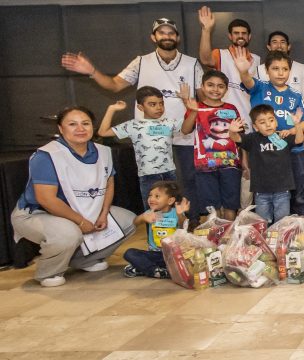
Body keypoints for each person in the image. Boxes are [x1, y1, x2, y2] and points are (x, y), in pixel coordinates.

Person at [60, 17, 202, 223]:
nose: (167, 36)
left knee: (186, 182)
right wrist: (92, 71)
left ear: (177, 37)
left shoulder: (192, 63)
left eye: (171, 32)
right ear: (153, 37)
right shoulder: (142, 61)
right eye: (162, 32)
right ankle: (156, 231)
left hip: (183, 132)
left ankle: (189, 224)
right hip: (148, 137)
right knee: (153, 189)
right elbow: (114, 85)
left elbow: (204, 96)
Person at [10, 106, 137, 287]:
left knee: (128, 221)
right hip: (37, 214)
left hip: (85, 210)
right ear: (61, 129)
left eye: (85, 123)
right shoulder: (46, 155)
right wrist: (80, 221)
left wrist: (103, 212)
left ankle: (83, 260)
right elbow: (47, 200)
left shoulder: (103, 151)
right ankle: (49, 271)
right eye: (72, 124)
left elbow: (109, 182)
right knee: (68, 233)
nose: (80, 129)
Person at [236, 49, 304, 216]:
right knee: (267, 196)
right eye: (275, 68)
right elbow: (248, 82)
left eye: (285, 69)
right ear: (266, 70)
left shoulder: (296, 94)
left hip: (294, 150)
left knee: (300, 193)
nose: (280, 73)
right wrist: (243, 71)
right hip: (265, 153)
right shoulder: (260, 88)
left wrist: (292, 129)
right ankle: (269, 232)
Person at [97, 87, 180, 208]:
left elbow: (187, 128)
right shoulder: (133, 125)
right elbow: (103, 132)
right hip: (148, 175)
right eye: (152, 104)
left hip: (169, 173)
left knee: (172, 209)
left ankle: (175, 227)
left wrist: (190, 107)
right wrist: (112, 109)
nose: (158, 107)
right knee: (152, 210)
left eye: (161, 104)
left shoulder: (169, 122)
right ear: (141, 107)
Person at [180, 70, 241, 221]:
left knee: (230, 205)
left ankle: (229, 239)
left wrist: (245, 162)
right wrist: (194, 111)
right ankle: (215, 239)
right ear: (202, 86)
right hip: (205, 166)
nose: (215, 89)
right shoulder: (197, 107)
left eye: (220, 86)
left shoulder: (231, 109)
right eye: (210, 85)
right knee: (211, 207)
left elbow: (240, 137)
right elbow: (185, 130)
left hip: (230, 164)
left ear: (226, 89)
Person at [231, 104, 304, 224]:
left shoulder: (282, 136)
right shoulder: (252, 139)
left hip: (282, 190)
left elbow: (299, 140)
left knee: (282, 222)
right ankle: (265, 241)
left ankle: (280, 241)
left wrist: (297, 125)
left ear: (276, 121)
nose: (268, 124)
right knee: (263, 222)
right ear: (255, 127)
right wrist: (231, 131)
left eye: (271, 120)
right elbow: (236, 138)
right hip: (261, 191)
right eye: (262, 122)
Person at [198, 6, 259, 131]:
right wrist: (206, 30)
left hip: (248, 114)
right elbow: (205, 59)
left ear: (249, 36)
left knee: (246, 148)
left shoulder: (257, 59)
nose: (240, 36)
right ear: (230, 36)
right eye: (236, 33)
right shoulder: (220, 54)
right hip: (224, 115)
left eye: (244, 33)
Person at [122, 181, 189, 279]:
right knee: (129, 253)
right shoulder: (150, 213)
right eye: (150, 196)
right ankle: (156, 271)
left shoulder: (176, 213)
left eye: (157, 196)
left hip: (172, 254)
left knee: (186, 257)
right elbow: (135, 223)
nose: (151, 199)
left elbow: (184, 226)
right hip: (155, 254)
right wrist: (142, 217)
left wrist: (180, 214)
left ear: (170, 201)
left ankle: (145, 269)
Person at [257, 31, 304, 121]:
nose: (279, 46)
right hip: (269, 124)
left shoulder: (302, 68)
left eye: (282, 42)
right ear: (268, 47)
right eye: (274, 42)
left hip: (297, 123)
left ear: (289, 46)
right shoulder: (259, 69)